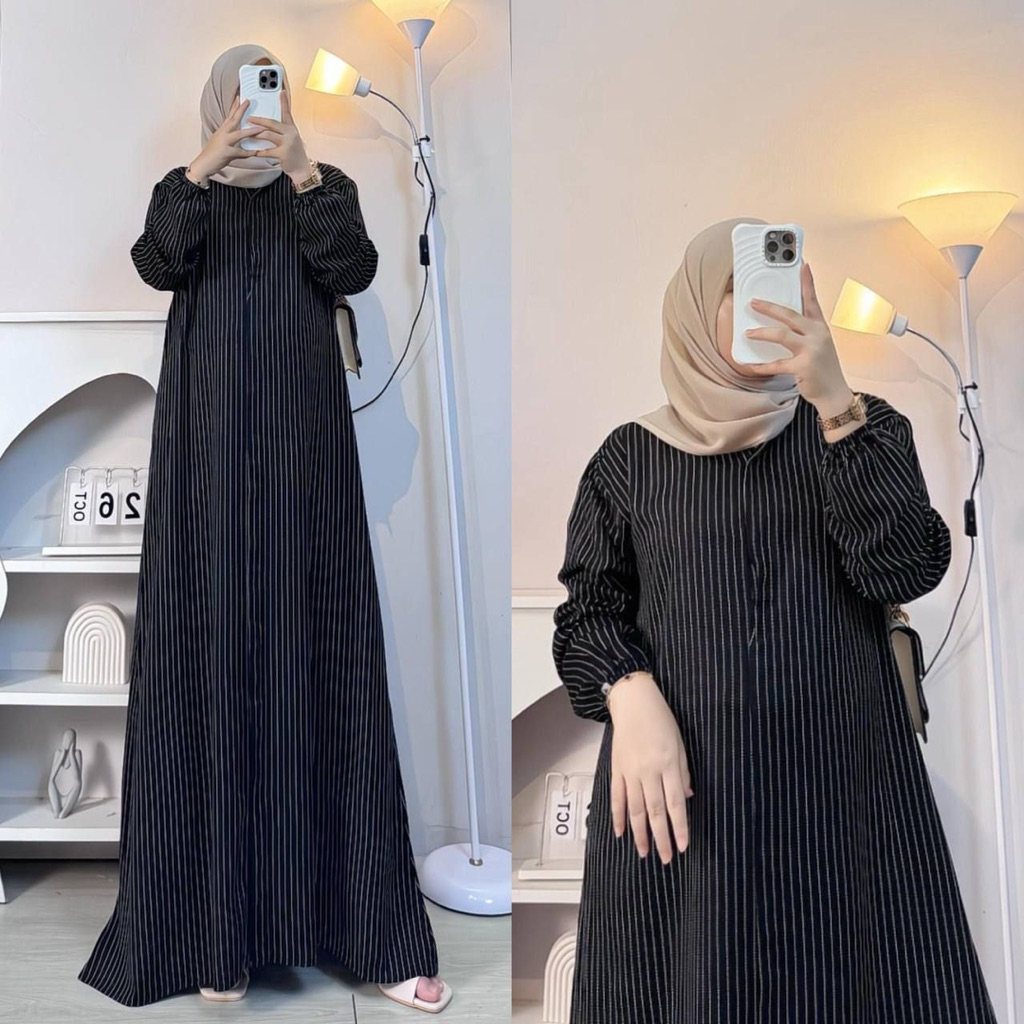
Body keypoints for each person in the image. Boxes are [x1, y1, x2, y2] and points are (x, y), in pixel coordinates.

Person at [77, 44, 451, 1014]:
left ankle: (369, 931)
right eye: (241, 95)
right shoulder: (188, 195)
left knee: (321, 667)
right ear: (217, 104)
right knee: (211, 661)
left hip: (305, 471)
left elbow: (353, 267)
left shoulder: (320, 188)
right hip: (204, 470)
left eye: (269, 89)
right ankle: (220, 933)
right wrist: (203, 166)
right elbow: (156, 262)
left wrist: (301, 169)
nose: (256, 106)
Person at [552, 218, 997, 1023]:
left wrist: (837, 405)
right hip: (685, 804)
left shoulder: (860, 429)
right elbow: (587, 611)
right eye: (740, 289)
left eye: (787, 284)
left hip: (842, 794)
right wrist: (629, 691)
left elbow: (904, 568)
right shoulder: (629, 460)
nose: (769, 305)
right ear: (695, 308)